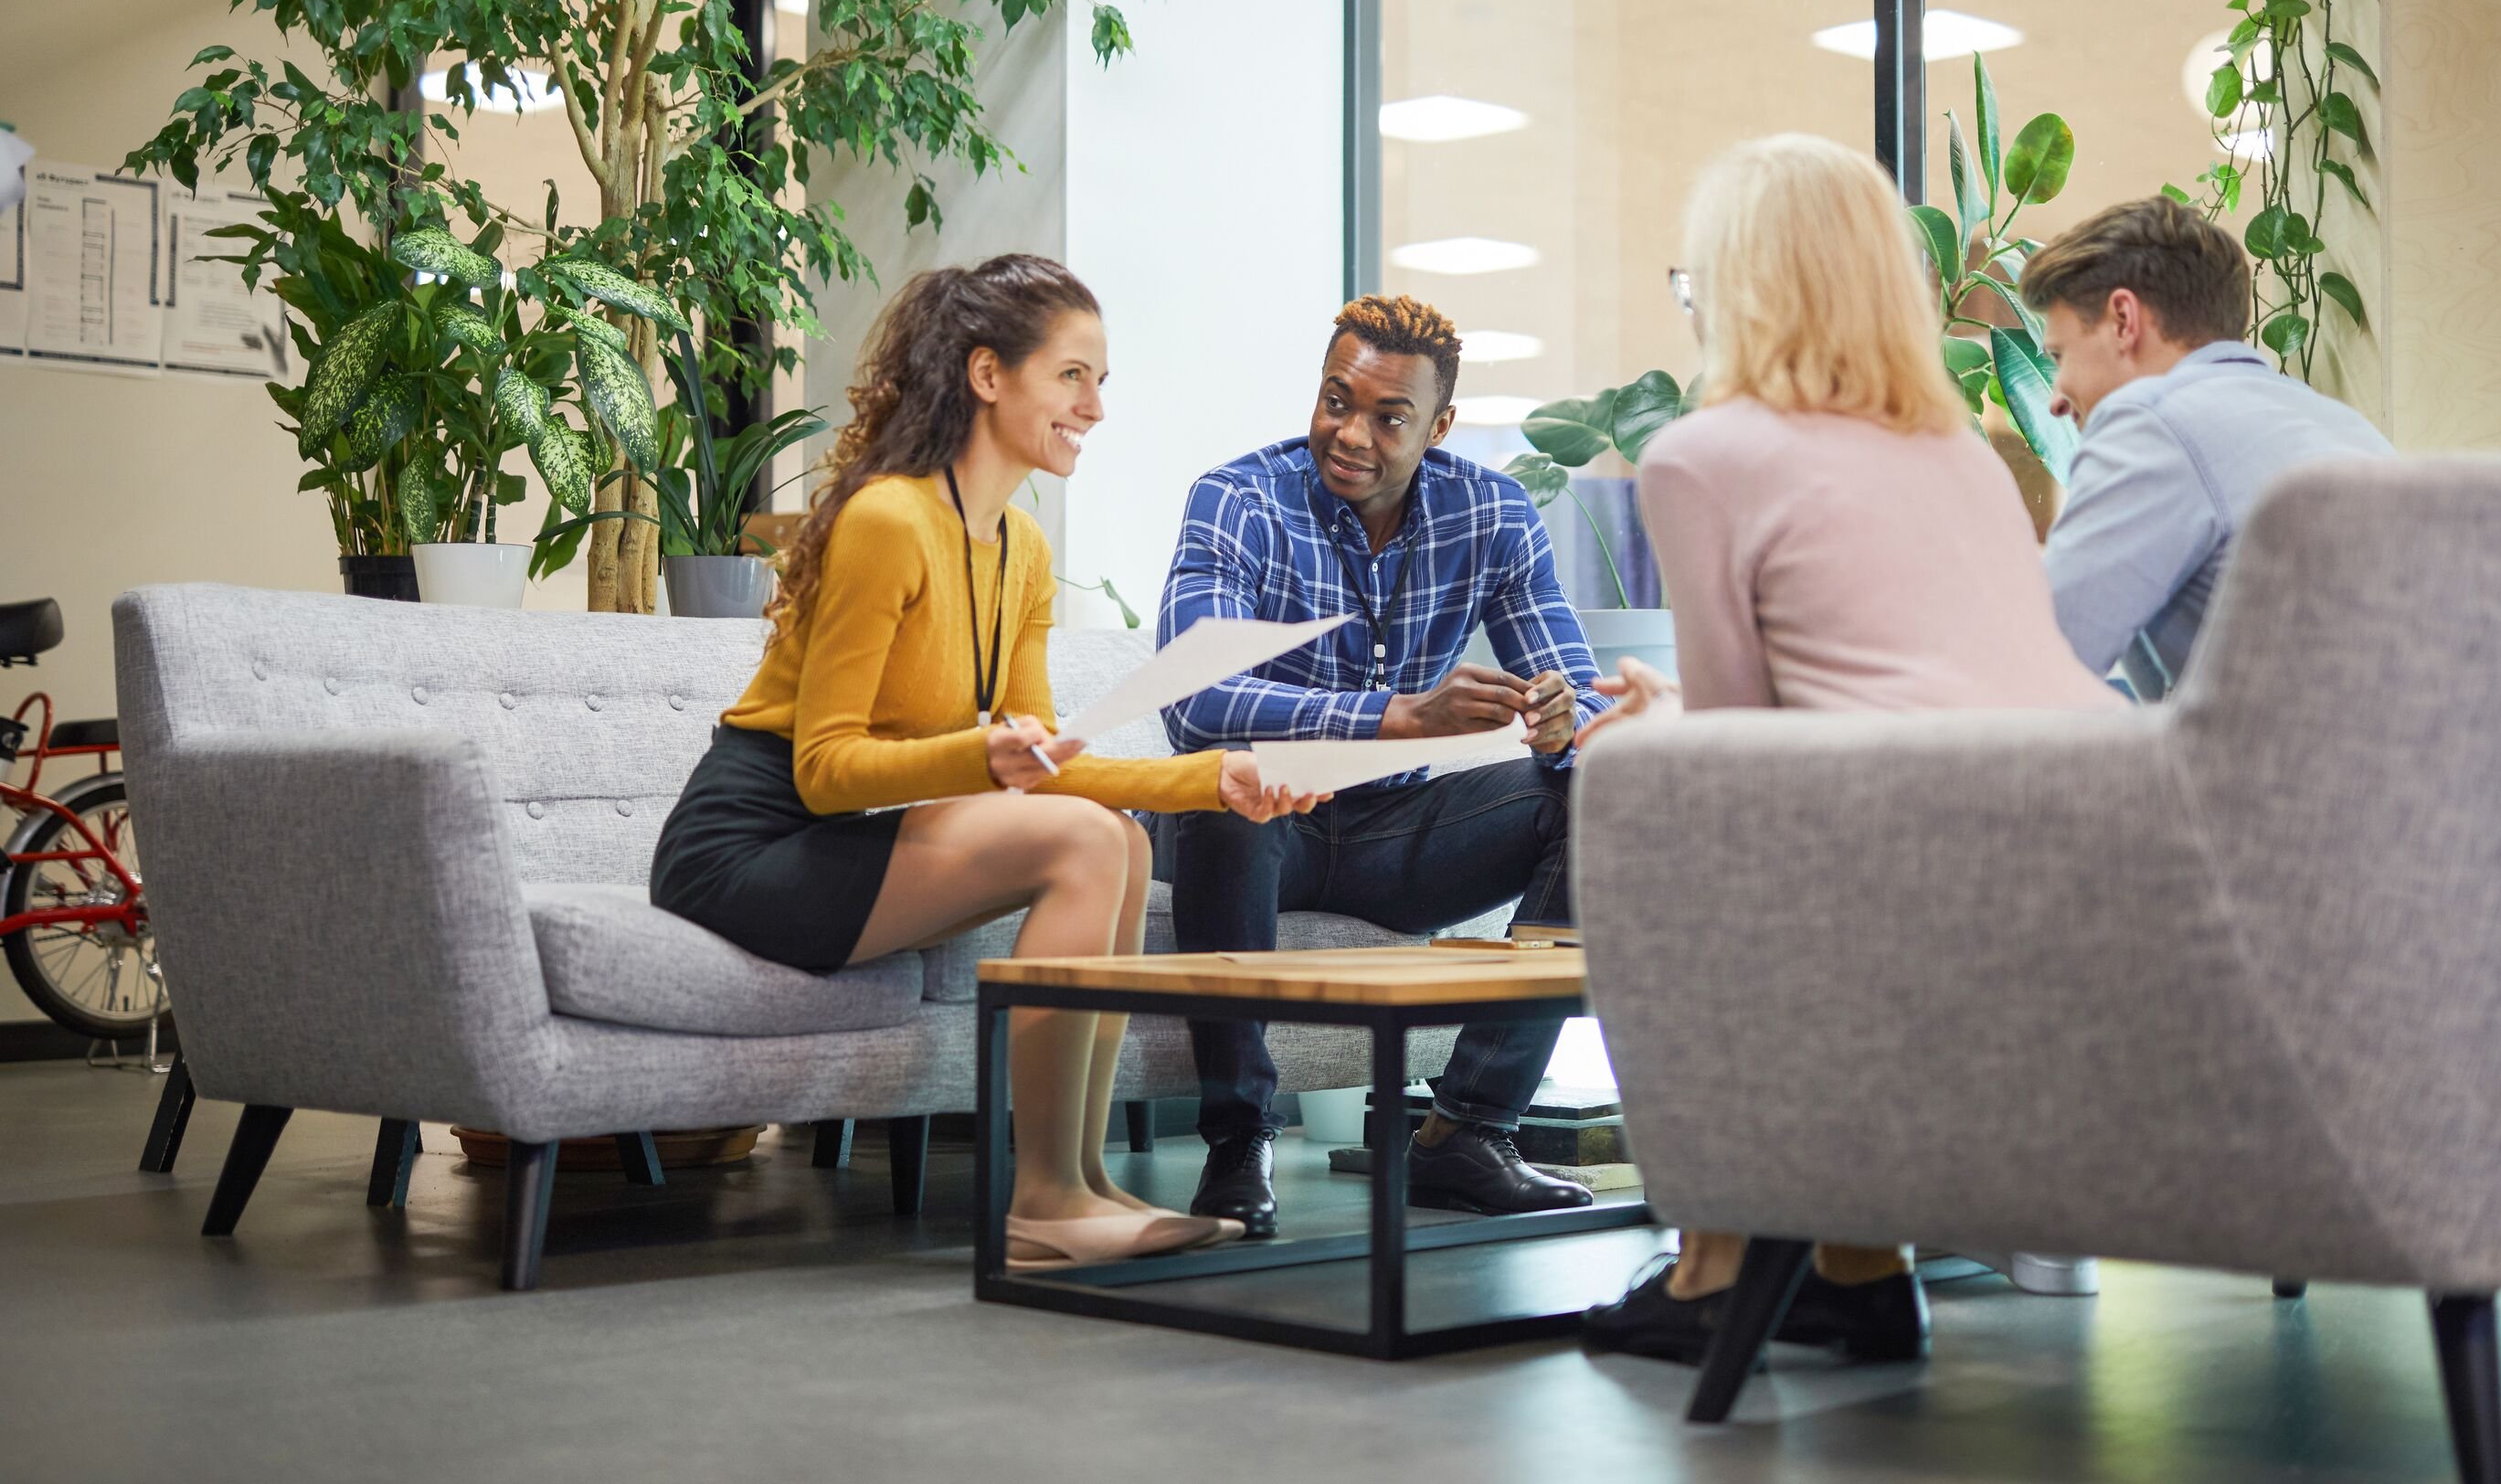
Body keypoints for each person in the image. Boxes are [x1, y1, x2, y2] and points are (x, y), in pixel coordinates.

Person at [651, 254, 1319, 1274]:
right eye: (1074, 375)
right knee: (1082, 843)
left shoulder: (1021, 548)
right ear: (987, 374)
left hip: (843, 844)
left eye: (1101, 381)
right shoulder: (889, 519)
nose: (1095, 405)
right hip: (751, 842)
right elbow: (824, 768)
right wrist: (977, 753)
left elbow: (1040, 762)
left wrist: (1211, 778)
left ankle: (1082, 1184)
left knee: (1120, 844)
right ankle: (1045, 1199)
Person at [1575, 135, 2125, 1368]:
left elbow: (1740, 755)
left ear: (1739, 282)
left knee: (1662, 811)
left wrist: (1658, 720)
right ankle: (1859, 1272)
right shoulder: (1965, 457)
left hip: (1904, 876)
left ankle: (1712, 1265)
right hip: (2076, 865)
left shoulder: (1703, 456)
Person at [1155, 293, 1612, 1237]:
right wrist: (1392, 716)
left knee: (1603, 796)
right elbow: (1192, 700)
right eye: (1336, 400)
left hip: (1396, 834)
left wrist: (1568, 723)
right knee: (1226, 794)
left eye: (1388, 417)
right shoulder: (1238, 500)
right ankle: (1239, 1138)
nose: (1349, 432)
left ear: (1440, 427)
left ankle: (1468, 1132)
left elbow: (1579, 690)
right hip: (1253, 818)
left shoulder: (1491, 514)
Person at [2031, 196, 2394, 700]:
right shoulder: (2343, 426)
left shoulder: (2152, 421)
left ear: (2122, 320)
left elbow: (2033, 667)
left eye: (2058, 355)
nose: (2054, 399)